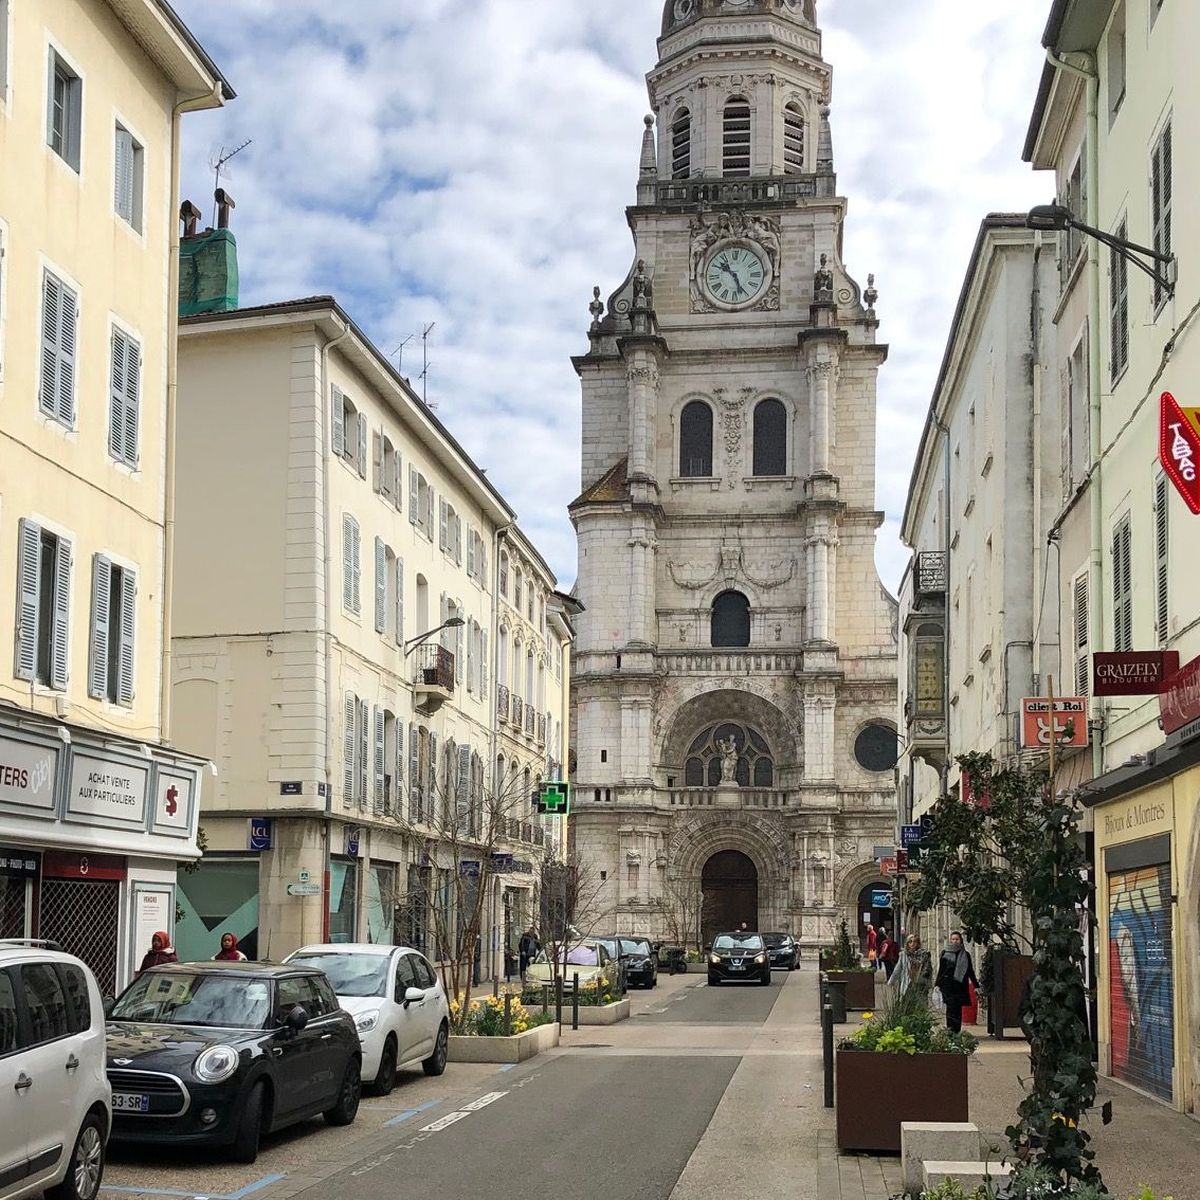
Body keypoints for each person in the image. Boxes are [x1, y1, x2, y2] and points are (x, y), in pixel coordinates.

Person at [935, 931, 979, 1032]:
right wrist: (937, 984)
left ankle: (956, 1031)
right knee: (950, 1009)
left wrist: (976, 985)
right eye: (953, 939)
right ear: (950, 940)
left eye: (957, 939)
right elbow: (941, 970)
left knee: (958, 1010)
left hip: (960, 986)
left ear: (960, 941)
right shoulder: (945, 953)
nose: (955, 941)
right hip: (948, 986)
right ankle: (950, 1031)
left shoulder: (965, 954)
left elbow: (970, 971)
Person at [890, 933, 933, 999]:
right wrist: (891, 981)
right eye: (910, 942)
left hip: (920, 984)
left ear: (918, 943)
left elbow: (928, 969)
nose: (912, 944)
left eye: (915, 942)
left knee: (920, 1004)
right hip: (907, 983)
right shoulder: (903, 955)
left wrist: (927, 983)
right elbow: (898, 968)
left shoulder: (924, 955)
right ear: (907, 943)